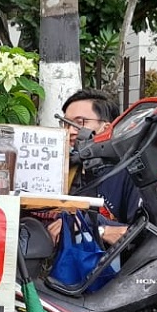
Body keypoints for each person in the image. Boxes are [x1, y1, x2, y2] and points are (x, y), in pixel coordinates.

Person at [49, 89, 142, 245]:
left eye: (80, 122)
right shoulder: (59, 167)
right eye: (65, 123)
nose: (69, 130)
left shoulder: (128, 171)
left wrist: (95, 228)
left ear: (106, 128)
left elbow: (143, 235)